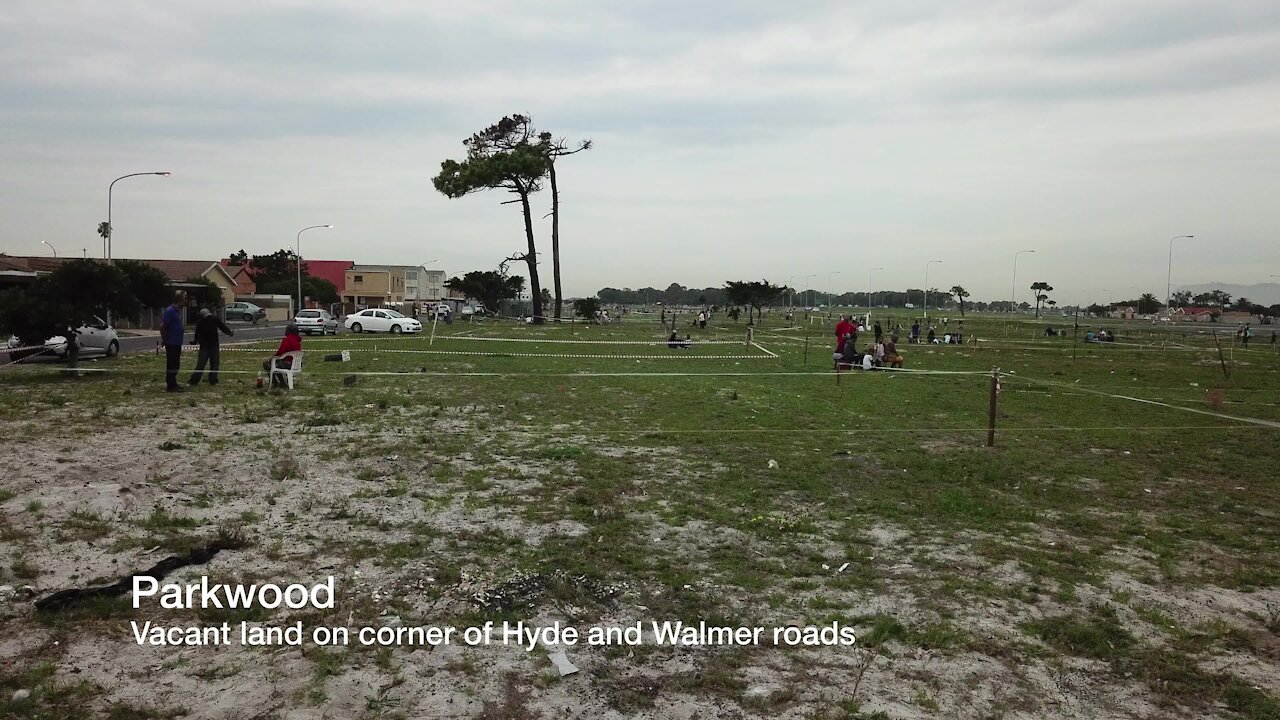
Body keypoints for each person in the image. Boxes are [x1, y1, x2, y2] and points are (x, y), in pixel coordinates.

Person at [189, 308, 234, 386]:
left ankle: (194, 380)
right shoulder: (215, 319)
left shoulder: (200, 322)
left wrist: (194, 342)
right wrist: (229, 332)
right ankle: (213, 380)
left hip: (204, 346)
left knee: (201, 364)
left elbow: (197, 334)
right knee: (214, 364)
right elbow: (222, 327)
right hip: (214, 344)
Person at [160, 292, 186, 392]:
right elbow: (163, 326)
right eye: (183, 301)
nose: (184, 303)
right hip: (171, 342)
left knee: (176, 364)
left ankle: (174, 382)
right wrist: (164, 338)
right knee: (172, 364)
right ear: (179, 301)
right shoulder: (169, 311)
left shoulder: (176, 311)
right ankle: (170, 385)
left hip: (177, 342)